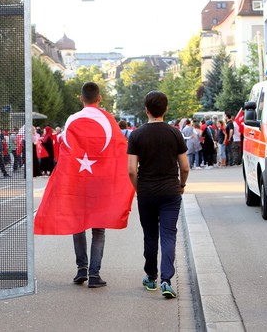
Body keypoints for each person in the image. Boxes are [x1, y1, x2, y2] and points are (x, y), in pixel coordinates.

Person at [35, 81, 135, 289]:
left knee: (77, 223)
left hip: (78, 182)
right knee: (99, 228)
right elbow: (119, 150)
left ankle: (81, 269)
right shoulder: (109, 120)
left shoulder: (73, 119)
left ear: (81, 98)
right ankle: (94, 274)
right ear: (99, 99)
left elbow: (65, 149)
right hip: (101, 183)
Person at [127, 90, 189, 299]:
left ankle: (151, 277)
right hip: (171, 191)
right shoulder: (174, 133)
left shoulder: (136, 135)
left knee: (150, 235)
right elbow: (185, 166)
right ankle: (167, 280)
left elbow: (131, 170)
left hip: (147, 191)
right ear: (166, 109)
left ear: (146, 110)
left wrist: (138, 188)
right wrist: (181, 185)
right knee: (169, 234)